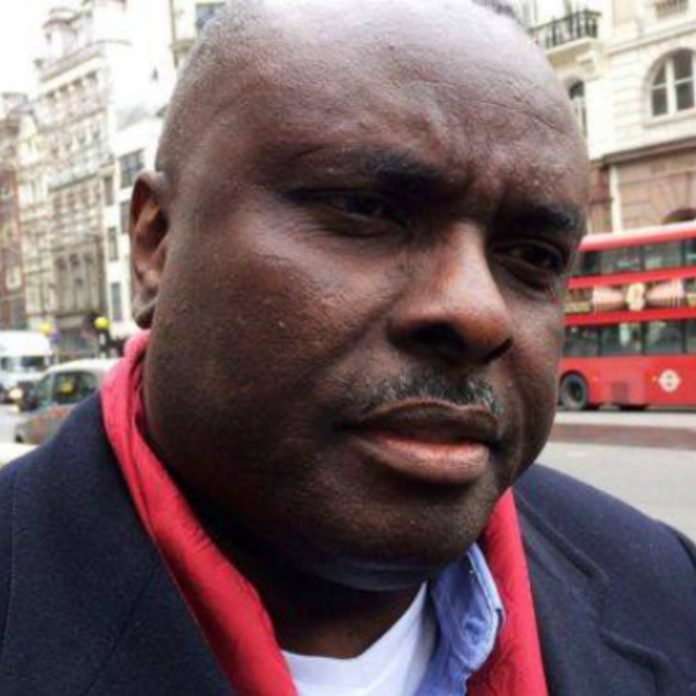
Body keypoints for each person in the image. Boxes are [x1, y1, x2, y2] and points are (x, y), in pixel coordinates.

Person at [1, 1, 695, 694]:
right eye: (364, 209)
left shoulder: (668, 590)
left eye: (535, 256)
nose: (477, 313)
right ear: (156, 245)